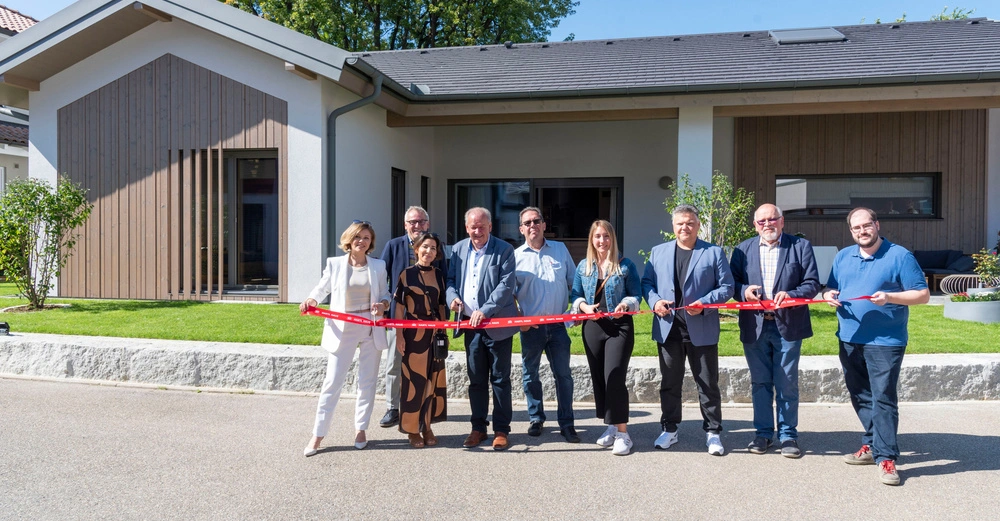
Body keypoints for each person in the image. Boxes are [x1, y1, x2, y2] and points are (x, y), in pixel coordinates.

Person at [824, 207, 929, 486]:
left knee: (882, 397)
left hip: (885, 341)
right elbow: (830, 286)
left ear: (877, 225)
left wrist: (891, 297)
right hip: (849, 337)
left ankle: (886, 458)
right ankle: (872, 444)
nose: (862, 231)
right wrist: (827, 295)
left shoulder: (899, 256)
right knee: (860, 395)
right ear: (851, 231)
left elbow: (922, 295)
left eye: (866, 226)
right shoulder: (843, 256)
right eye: (856, 228)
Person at [642, 205, 734, 456]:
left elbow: (727, 287)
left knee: (707, 383)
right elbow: (647, 283)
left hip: (701, 328)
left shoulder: (713, 252)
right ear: (673, 226)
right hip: (668, 328)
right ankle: (669, 429)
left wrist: (705, 303)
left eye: (690, 223)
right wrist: (655, 302)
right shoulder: (658, 252)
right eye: (680, 223)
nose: (685, 227)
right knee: (669, 383)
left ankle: (713, 432)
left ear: (698, 225)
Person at [730, 203, 821, 458]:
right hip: (755, 325)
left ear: (782, 221)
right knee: (760, 383)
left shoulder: (799, 247)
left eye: (772, 219)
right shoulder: (743, 249)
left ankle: (789, 436)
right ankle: (763, 434)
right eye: (762, 221)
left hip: (788, 325)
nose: (767, 224)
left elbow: (812, 283)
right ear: (755, 225)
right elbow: (731, 283)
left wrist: (792, 294)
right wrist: (743, 291)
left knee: (787, 383)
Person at [301, 220, 390, 456]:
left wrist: (383, 305)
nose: (362, 241)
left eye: (367, 238)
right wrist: (312, 300)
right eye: (358, 237)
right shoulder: (335, 264)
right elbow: (322, 288)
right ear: (349, 239)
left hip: (370, 328)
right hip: (343, 329)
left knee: (367, 382)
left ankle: (361, 429)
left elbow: (385, 294)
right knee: (332, 383)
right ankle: (317, 435)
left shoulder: (378, 266)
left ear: (371, 242)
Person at [446, 207, 520, 450]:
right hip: (470, 326)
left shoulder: (504, 249)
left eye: (481, 226)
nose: (477, 231)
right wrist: (452, 299)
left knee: (500, 379)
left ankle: (501, 430)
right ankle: (478, 428)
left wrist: (485, 310)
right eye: (472, 227)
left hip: (497, 325)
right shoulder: (457, 250)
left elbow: (506, 285)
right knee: (476, 380)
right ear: (466, 228)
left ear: (490, 227)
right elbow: (450, 281)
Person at [570, 220, 641, 456]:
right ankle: (610, 426)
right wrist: (582, 307)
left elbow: (636, 295)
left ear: (613, 239)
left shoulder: (625, 265)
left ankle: (623, 434)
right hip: (592, 326)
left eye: (606, 236)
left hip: (619, 327)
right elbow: (576, 295)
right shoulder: (584, 267)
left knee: (614, 377)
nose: (602, 241)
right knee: (600, 378)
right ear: (592, 239)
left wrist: (626, 303)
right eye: (598, 236)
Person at [513, 207, 579, 443]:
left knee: (563, 376)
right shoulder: (516, 256)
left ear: (543, 225)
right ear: (521, 229)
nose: (532, 226)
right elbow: (509, 294)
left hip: (558, 326)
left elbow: (575, 283)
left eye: (536, 221)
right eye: (527, 223)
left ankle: (567, 423)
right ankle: (536, 418)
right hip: (530, 329)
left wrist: (573, 313)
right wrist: (519, 319)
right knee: (530, 375)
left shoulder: (560, 250)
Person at [377, 206, 446, 429]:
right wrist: (384, 303)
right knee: (394, 364)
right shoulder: (393, 245)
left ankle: (424, 407)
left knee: (426, 365)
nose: (417, 226)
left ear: (428, 223)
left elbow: (444, 282)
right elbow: (383, 277)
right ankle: (393, 407)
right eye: (413, 222)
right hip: (399, 317)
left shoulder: (434, 246)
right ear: (405, 224)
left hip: (427, 320)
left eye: (422, 221)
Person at [391, 232, 449, 448]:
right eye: (425, 247)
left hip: (434, 335)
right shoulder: (406, 274)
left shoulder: (439, 275)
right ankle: (411, 430)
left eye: (433, 248)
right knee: (413, 382)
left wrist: (443, 333)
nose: (429, 251)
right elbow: (398, 306)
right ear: (416, 249)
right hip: (413, 336)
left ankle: (427, 426)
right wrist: (398, 335)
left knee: (432, 382)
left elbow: (442, 305)